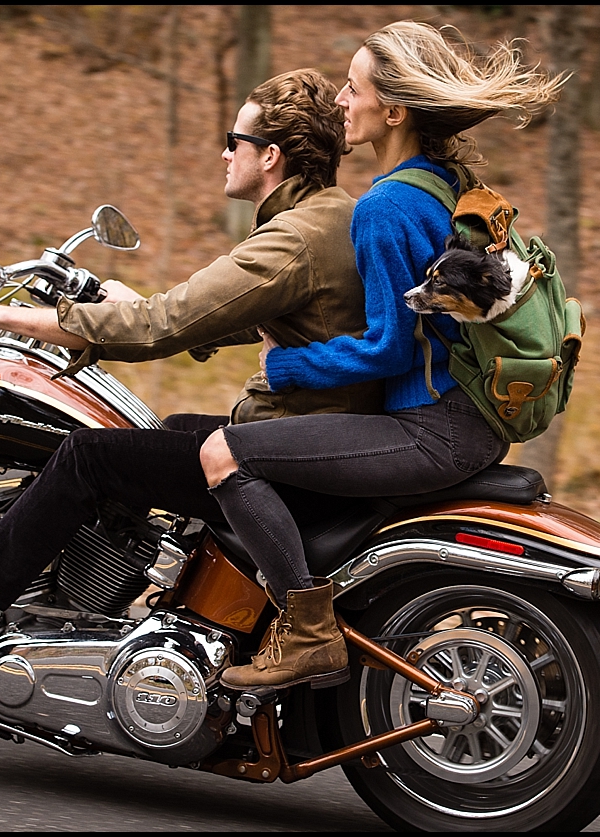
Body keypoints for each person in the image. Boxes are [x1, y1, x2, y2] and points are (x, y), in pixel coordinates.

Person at [0, 68, 384, 669]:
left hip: (297, 446)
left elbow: (162, 327)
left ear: (270, 155)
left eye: (234, 139)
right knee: (166, 431)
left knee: (90, 456)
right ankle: (109, 611)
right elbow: (247, 310)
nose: (224, 152)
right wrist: (134, 308)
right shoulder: (330, 216)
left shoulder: (294, 237)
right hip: (306, 430)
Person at [201, 21, 566, 690]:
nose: (340, 99)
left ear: (393, 111)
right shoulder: (447, 180)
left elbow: (388, 347)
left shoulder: (384, 207)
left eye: (353, 87)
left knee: (224, 452)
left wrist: (284, 365)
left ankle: (307, 634)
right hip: (473, 416)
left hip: (429, 429)